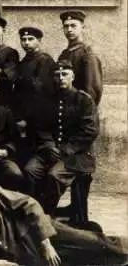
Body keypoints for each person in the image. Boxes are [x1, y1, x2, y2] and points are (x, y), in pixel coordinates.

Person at [0, 162, 128, 266]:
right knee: (82, 258)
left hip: (38, 230)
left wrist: (45, 242)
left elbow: (29, 203)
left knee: (95, 243)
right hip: (23, 252)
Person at [24, 60, 99, 216]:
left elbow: (89, 131)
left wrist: (65, 149)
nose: (61, 78)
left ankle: (45, 213)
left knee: (54, 175)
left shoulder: (84, 100)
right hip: (49, 150)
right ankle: (32, 209)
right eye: (57, 75)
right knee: (30, 170)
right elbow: (40, 126)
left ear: (72, 76)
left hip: (76, 154)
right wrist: (49, 144)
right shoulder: (47, 100)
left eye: (64, 74)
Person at [12, 27, 56, 166]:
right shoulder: (24, 61)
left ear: (39, 41)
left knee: (38, 158)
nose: (26, 43)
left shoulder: (44, 61)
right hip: (22, 119)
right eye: (23, 40)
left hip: (38, 120)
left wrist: (27, 120)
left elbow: (41, 95)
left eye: (30, 39)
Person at [57, 10, 103, 106]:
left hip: (80, 111)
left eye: (73, 26)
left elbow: (92, 90)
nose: (69, 29)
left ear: (83, 28)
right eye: (66, 26)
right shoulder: (64, 54)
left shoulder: (87, 54)